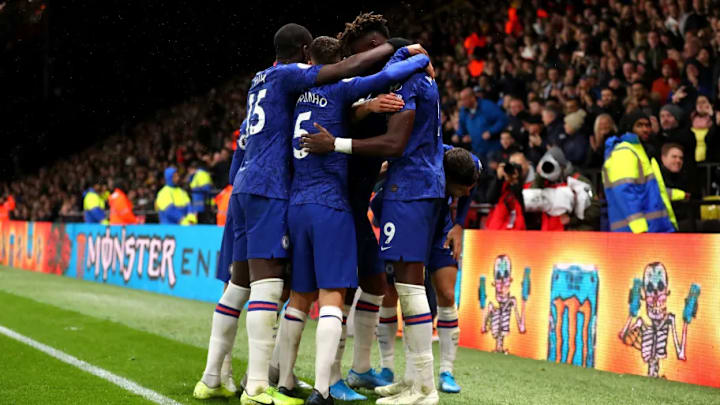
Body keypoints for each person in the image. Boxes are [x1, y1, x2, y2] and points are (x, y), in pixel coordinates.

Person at [194, 21, 427, 404]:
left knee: (249, 287)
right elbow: (358, 76)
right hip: (304, 198)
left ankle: (224, 376)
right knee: (298, 291)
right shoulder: (308, 81)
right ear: (306, 54)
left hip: (259, 192)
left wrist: (364, 108)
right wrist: (403, 51)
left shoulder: (263, 83)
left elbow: (247, 141)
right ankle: (285, 385)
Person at [275, 36, 430, 405]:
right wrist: (415, 56)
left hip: (297, 204)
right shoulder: (342, 88)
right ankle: (324, 388)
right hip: (331, 204)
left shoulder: (294, 94)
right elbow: (388, 75)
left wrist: (366, 108)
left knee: (299, 297)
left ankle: (283, 381)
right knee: (333, 297)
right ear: (340, 61)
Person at [369, 146, 479, 395]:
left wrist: (459, 223)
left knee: (447, 294)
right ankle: (387, 369)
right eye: (462, 188)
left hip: (440, 230)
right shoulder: (410, 159)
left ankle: (446, 371)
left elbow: (470, 185)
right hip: (407, 224)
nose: (466, 193)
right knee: (392, 293)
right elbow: (377, 203)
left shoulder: (464, 162)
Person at [603, 111, 677, 233]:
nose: (645, 129)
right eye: (639, 125)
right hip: (637, 232)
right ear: (629, 128)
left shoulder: (642, 151)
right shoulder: (624, 152)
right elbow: (624, 191)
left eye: (648, 125)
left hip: (653, 228)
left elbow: (652, 189)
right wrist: (639, 228)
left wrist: (680, 194)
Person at [456, 87, 508, 165]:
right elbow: (462, 127)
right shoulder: (464, 111)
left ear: (472, 98)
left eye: (464, 99)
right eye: (461, 100)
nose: (462, 102)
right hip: (476, 150)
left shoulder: (487, 106)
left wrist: (491, 131)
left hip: (492, 149)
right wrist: (459, 135)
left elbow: (503, 120)